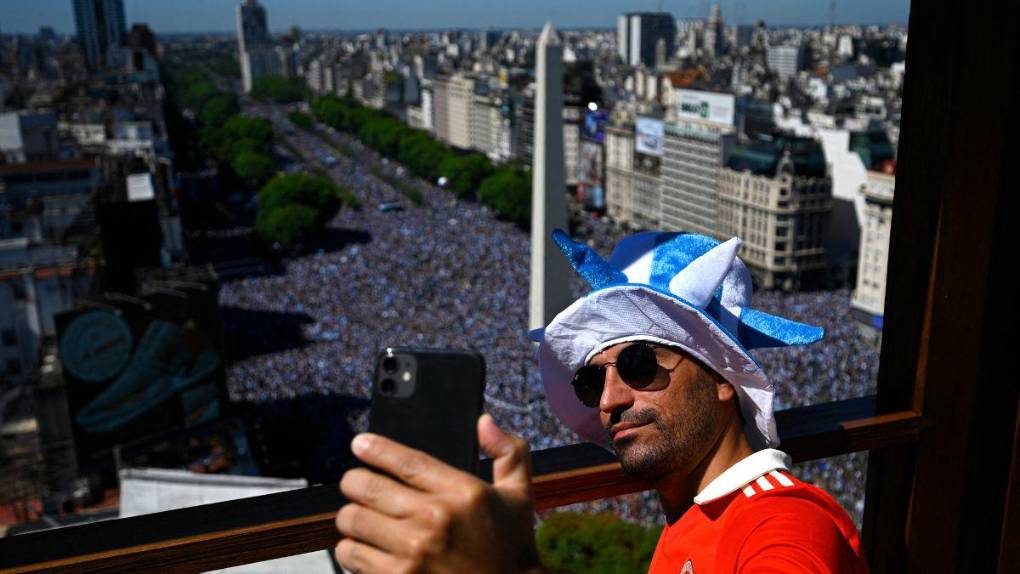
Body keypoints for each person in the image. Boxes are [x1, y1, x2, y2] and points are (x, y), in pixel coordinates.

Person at [334, 230, 870, 573]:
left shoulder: (785, 523)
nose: (609, 399)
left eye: (638, 365)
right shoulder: (691, 516)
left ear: (722, 377)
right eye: (591, 381)